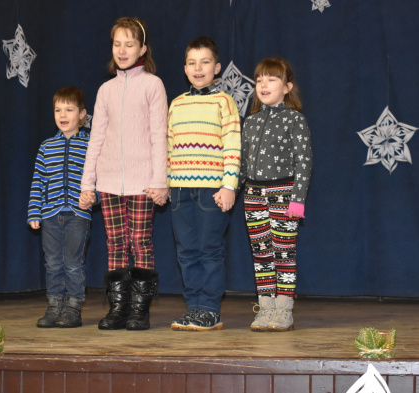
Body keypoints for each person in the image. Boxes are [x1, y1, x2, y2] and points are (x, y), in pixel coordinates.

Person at [79, 17, 168, 331]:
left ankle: (139, 311)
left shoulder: (153, 85)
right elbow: (96, 139)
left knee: (140, 242)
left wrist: (160, 181)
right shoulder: (106, 90)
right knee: (115, 244)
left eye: (129, 44)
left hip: (143, 182)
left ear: (142, 49)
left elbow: (159, 135)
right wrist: (87, 184)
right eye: (117, 44)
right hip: (108, 182)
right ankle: (118, 308)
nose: (122, 50)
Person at [167, 36, 241, 331]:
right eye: (192, 63)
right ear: (185, 68)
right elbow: (169, 146)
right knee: (186, 251)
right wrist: (166, 182)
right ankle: (194, 308)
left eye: (205, 62)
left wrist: (229, 185)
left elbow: (233, 144)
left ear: (217, 68)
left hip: (212, 190)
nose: (198, 69)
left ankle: (210, 309)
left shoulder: (224, 102)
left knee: (209, 250)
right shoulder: (176, 103)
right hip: (179, 190)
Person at [239, 57, 313, 332]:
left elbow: (304, 161)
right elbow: (242, 164)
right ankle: (266, 308)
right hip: (253, 194)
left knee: (283, 253)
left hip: (283, 193)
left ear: (287, 87)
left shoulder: (295, 119)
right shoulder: (250, 122)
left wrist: (298, 200)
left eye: (271, 79)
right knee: (261, 254)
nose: (263, 85)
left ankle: (283, 310)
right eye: (259, 80)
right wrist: (230, 189)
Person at [28, 86, 94, 328]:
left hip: (78, 214)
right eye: (58, 110)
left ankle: (73, 307)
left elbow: (96, 178)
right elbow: (38, 181)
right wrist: (34, 212)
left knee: (73, 263)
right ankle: (55, 305)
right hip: (50, 215)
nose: (63, 115)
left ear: (82, 114)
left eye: (69, 109)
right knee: (53, 263)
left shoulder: (90, 145)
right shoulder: (47, 146)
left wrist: (93, 196)